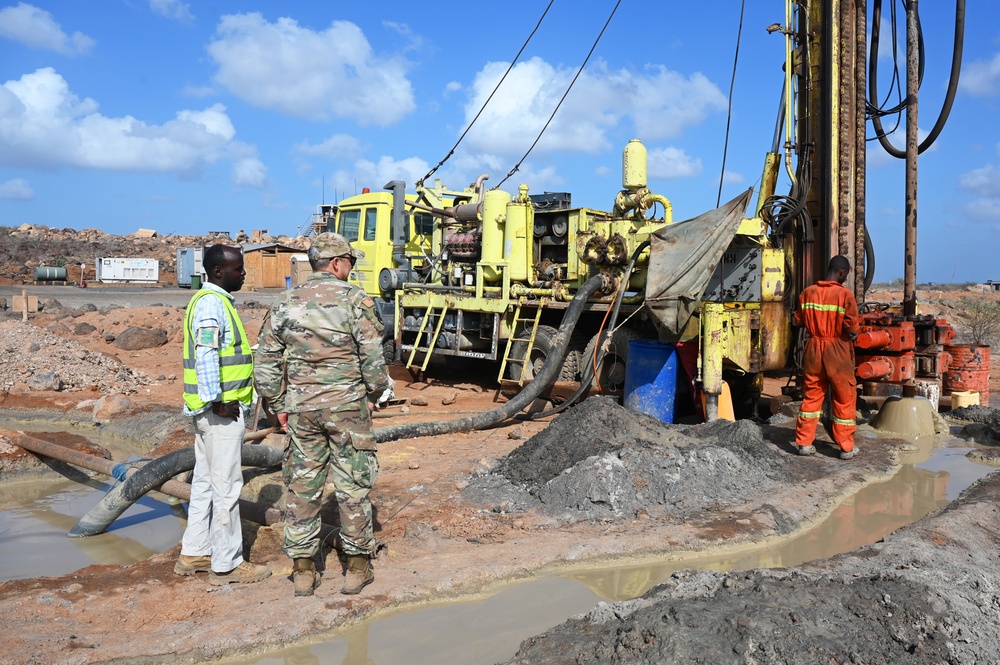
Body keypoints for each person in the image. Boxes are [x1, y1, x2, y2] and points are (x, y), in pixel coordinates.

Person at [254, 232, 393, 597]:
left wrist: (278, 405)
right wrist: (377, 393)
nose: (352, 268)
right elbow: (373, 356)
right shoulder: (354, 300)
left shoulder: (284, 302)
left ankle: (303, 572)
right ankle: (357, 569)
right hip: (347, 408)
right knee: (352, 485)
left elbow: (266, 360)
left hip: (302, 410)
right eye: (351, 261)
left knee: (302, 487)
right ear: (336, 263)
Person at [175, 244, 272, 584]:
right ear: (218, 271)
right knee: (227, 486)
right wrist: (216, 400)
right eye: (238, 269)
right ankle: (227, 563)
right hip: (219, 414)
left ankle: (195, 552)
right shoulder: (211, 304)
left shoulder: (214, 303)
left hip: (213, 412)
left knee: (203, 481)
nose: (244, 274)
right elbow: (206, 353)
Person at [794, 254, 861, 460]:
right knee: (844, 397)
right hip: (837, 350)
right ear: (841, 272)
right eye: (846, 274)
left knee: (812, 394)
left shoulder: (807, 293)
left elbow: (798, 321)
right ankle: (846, 447)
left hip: (813, 348)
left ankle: (804, 443)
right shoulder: (845, 295)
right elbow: (852, 328)